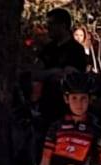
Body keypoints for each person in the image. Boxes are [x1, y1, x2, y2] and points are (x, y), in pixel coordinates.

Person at [30, 8, 89, 139]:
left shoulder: (75, 50)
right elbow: (36, 73)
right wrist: (54, 72)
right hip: (46, 108)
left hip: (66, 110)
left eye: (51, 24)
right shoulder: (48, 49)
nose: (48, 28)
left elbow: (70, 76)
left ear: (62, 25)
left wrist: (50, 73)